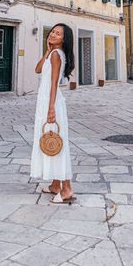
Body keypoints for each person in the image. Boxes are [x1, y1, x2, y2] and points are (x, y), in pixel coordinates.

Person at [30, 23, 76, 204]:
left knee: (57, 143)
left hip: (52, 102)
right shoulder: (53, 53)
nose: (53, 35)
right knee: (51, 141)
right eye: (52, 32)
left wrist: (51, 109)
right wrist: (46, 52)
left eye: (58, 34)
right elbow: (37, 69)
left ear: (64, 39)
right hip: (46, 102)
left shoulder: (58, 55)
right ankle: (55, 185)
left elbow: (54, 82)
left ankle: (66, 188)